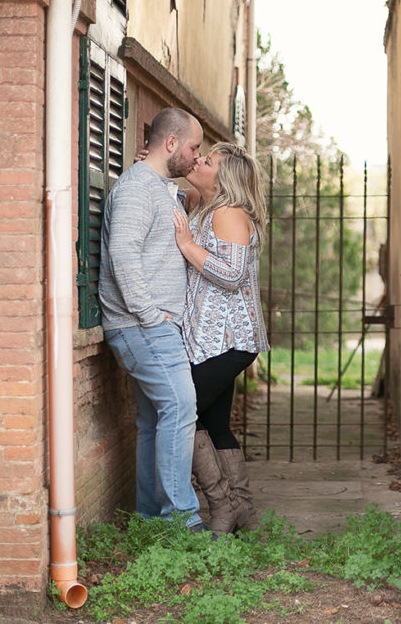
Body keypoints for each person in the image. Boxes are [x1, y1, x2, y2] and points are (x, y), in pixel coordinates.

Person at [98, 107, 211, 533]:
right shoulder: (136, 190)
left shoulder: (159, 186)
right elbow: (124, 255)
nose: (196, 157)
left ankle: (148, 519)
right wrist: (148, 314)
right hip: (143, 327)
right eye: (193, 147)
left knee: (153, 421)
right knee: (181, 408)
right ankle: (183, 522)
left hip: (150, 326)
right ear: (170, 143)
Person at [171, 141, 271, 535]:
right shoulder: (207, 205)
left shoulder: (228, 213)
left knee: (185, 413)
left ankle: (223, 507)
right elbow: (180, 191)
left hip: (229, 341)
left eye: (207, 161)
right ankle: (242, 508)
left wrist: (186, 246)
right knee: (215, 423)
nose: (198, 161)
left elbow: (232, 274)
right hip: (213, 341)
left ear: (223, 178)